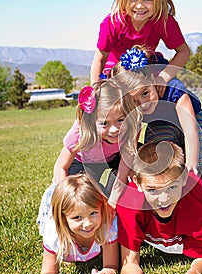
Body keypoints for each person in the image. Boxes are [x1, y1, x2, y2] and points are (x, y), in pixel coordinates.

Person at [116, 141, 202, 274]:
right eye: (153, 190)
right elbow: (129, 262)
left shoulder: (194, 194)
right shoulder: (130, 202)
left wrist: (195, 272)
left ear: (184, 179)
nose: (164, 199)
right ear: (137, 183)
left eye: (172, 187)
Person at [110, 46, 202, 179]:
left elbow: (190, 128)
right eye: (134, 101)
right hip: (160, 124)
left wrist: (191, 166)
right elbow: (130, 140)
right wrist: (130, 169)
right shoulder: (131, 107)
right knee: (159, 160)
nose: (143, 104)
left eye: (145, 93)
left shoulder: (173, 89)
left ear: (153, 80)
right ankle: (179, 151)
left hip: (192, 119)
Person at [90, 0, 190, 87]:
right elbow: (99, 60)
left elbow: (183, 52)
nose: (139, 6)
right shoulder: (112, 23)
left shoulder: (164, 21)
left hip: (149, 73)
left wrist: (162, 79)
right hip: (116, 76)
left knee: (181, 95)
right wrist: (94, 92)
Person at [51, 78, 140, 206]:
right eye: (105, 123)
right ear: (92, 121)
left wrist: (112, 202)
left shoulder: (131, 127)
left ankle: (111, 187)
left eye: (120, 120)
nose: (114, 129)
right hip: (84, 162)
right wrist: (64, 194)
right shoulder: (79, 134)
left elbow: (125, 164)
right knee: (82, 191)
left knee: (134, 172)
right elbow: (61, 167)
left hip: (115, 157)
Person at [39, 173, 119, 274]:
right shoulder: (54, 233)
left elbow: (111, 266)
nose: (87, 224)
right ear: (64, 218)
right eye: (77, 217)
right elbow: (47, 273)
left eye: (93, 213)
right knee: (53, 195)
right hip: (50, 209)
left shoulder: (106, 226)